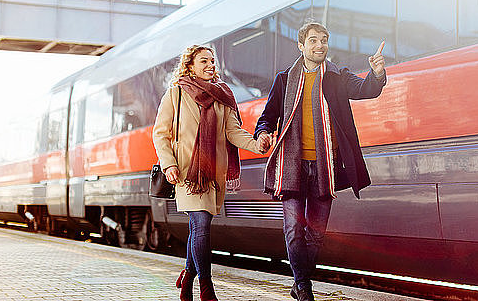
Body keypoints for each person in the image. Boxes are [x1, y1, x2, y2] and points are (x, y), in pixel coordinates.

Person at [254, 21, 386, 301]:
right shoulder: (284, 79)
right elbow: (267, 116)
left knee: (315, 234)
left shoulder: (337, 76)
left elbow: (366, 90)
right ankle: (303, 285)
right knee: (292, 229)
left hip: (325, 166)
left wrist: (377, 74)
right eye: (313, 40)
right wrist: (263, 132)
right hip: (293, 166)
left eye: (324, 40)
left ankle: (300, 282)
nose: (320, 45)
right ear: (301, 46)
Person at [152, 45, 265, 301]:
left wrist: (257, 144)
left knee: (197, 228)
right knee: (201, 224)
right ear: (189, 65)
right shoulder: (176, 94)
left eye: (212, 61)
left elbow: (232, 132)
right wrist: (168, 163)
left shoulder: (222, 96)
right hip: (186, 174)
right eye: (204, 61)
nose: (210, 65)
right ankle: (206, 287)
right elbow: (161, 133)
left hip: (213, 173)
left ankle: (188, 276)